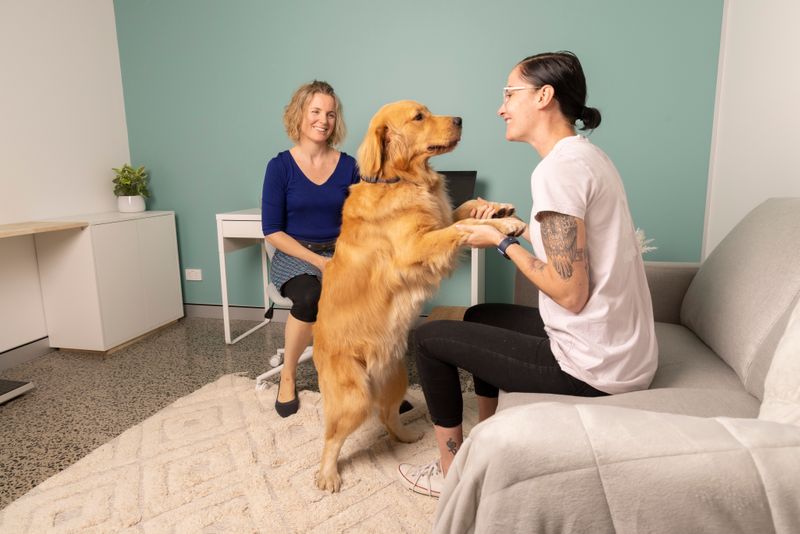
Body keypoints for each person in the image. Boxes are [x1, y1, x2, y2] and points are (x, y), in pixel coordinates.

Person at [397, 51, 658, 497]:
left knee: (429, 339)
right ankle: (490, 442)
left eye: (509, 94)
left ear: (543, 96)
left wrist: (502, 243)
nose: (501, 107)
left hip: (593, 369)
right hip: (622, 352)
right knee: (478, 315)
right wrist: (511, 227)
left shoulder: (558, 171)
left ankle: (452, 477)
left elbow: (570, 293)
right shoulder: (586, 156)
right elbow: (577, 255)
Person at [261, 80, 358, 417]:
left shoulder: (349, 166)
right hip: (294, 253)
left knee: (371, 293)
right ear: (299, 115)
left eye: (330, 113)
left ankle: (368, 379)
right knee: (310, 296)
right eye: (316, 111)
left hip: (339, 250)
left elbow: (361, 216)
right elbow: (272, 230)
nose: (323, 119)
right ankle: (288, 376)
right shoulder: (280, 167)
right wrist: (318, 261)